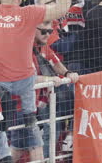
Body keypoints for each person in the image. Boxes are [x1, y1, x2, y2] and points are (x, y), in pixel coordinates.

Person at [0, 0, 75, 161]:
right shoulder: (29, 13)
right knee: (30, 121)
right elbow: (60, 10)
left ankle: (4, 157)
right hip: (25, 80)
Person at [32, 21, 79, 159]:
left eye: (50, 32)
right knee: (39, 135)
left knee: (50, 131)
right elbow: (26, 77)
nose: (47, 35)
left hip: (44, 99)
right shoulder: (24, 47)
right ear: (33, 29)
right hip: (25, 103)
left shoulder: (44, 46)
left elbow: (55, 62)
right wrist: (49, 79)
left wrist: (67, 73)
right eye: (43, 32)